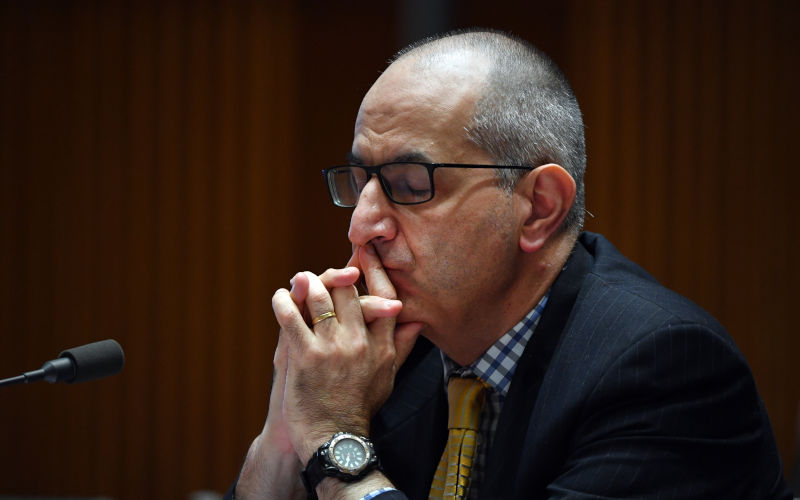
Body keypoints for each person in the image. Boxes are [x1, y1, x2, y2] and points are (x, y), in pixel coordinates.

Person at [227, 29, 792, 500]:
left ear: (539, 207)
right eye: (360, 182)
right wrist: (287, 431)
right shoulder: (381, 358)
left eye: (410, 184)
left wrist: (335, 442)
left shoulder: (665, 370)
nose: (361, 226)